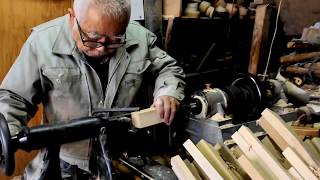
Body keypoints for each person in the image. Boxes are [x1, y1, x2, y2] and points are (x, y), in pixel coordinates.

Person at [0, 0, 185, 179]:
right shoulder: (42, 43)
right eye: (92, 39)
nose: (101, 49)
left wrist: (168, 92)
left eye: (114, 41)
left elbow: (168, 68)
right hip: (63, 161)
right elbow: (13, 97)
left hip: (121, 159)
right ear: (72, 17)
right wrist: (6, 131)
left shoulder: (139, 38)